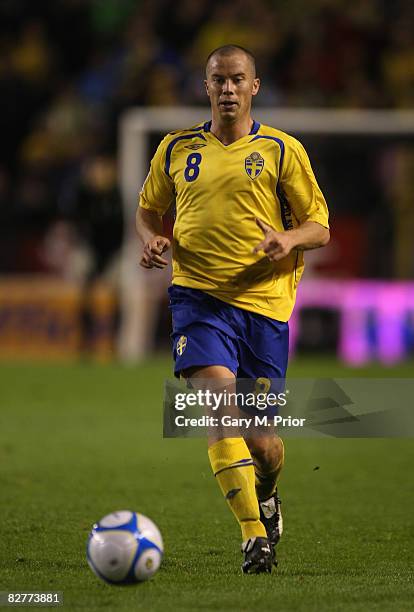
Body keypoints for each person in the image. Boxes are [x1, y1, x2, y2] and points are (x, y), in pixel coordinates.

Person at [136, 44, 330, 574]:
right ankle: (253, 537)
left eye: (236, 79)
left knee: (264, 445)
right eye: (218, 79)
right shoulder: (176, 148)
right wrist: (153, 240)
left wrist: (289, 240)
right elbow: (148, 210)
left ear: (254, 87)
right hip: (197, 299)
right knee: (219, 406)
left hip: (264, 307)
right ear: (206, 87)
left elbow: (320, 225)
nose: (227, 88)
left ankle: (267, 494)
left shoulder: (281, 150)